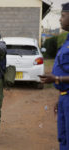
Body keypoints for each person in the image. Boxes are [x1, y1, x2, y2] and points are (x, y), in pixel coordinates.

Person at [39, 3, 69, 150]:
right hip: (64, 97)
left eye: (63, 16)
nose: (59, 20)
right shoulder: (67, 41)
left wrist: (55, 79)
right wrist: (60, 97)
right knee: (63, 138)